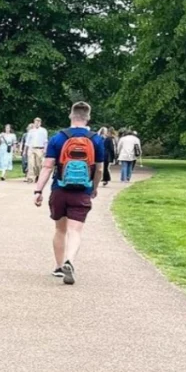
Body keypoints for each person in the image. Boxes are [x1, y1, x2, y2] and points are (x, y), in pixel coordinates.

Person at [32, 101, 106, 285]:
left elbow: (47, 167)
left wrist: (38, 190)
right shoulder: (96, 139)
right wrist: (94, 188)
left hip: (60, 189)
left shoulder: (58, 137)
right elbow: (99, 169)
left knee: (60, 229)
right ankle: (70, 261)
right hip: (82, 191)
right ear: (88, 117)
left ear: (70, 116)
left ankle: (58, 267)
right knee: (75, 231)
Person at [25, 117, 49, 184]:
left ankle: (38, 175)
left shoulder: (43, 130)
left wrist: (45, 149)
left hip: (40, 148)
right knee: (31, 163)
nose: (37, 124)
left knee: (38, 164)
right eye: (35, 122)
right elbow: (27, 141)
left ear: (40, 123)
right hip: (31, 148)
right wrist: (25, 150)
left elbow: (45, 141)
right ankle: (30, 178)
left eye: (38, 122)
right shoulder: (31, 131)